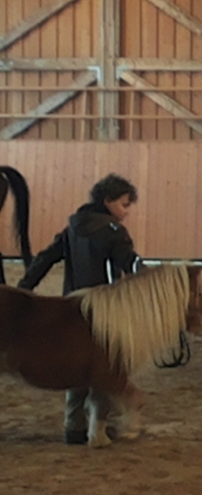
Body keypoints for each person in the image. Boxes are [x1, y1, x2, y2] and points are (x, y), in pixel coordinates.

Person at [17, 173, 143, 445]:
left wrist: (25, 287)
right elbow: (128, 263)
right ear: (107, 201)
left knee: (75, 366)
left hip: (71, 307)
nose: (126, 212)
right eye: (124, 204)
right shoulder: (113, 232)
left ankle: (73, 425)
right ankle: (98, 427)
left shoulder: (73, 227)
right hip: (105, 311)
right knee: (105, 366)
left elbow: (45, 258)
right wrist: (147, 273)